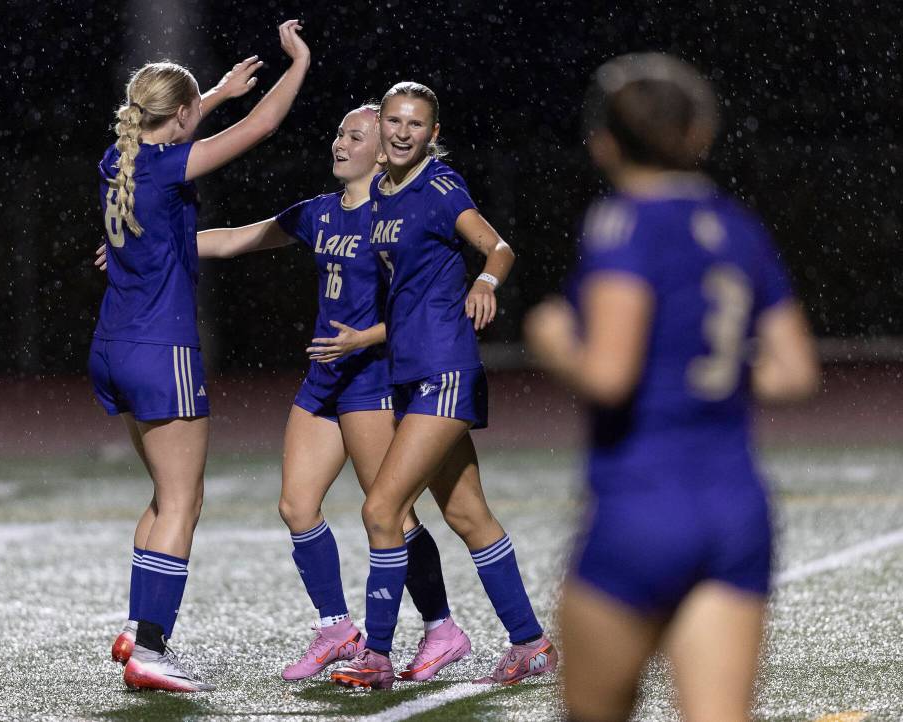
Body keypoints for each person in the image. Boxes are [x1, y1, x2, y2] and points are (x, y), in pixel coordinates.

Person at [523, 53, 819, 722]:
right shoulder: (738, 227)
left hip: (644, 503)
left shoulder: (623, 223)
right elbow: (796, 372)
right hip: (737, 508)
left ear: (603, 143)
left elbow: (608, 373)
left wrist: (550, 338)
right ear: (699, 134)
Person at [169, 104, 470, 682]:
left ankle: (442, 628)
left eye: (354, 135)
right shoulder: (320, 213)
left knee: (393, 514)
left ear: (382, 151)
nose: (339, 142)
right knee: (296, 506)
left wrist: (365, 338)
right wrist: (158, 244)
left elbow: (422, 306)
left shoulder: (396, 217)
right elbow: (236, 239)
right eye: (337, 131)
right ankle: (337, 627)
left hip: (372, 377)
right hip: (324, 378)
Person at [89, 19, 310, 692]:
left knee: (163, 495)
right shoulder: (162, 169)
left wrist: (209, 94)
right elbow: (263, 127)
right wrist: (298, 62)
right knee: (184, 500)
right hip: (163, 350)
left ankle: (136, 627)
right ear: (179, 118)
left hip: (114, 348)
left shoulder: (119, 162)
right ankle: (153, 649)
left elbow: (170, 124)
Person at [329, 82, 557, 691]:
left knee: (382, 507)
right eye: (395, 121)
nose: (403, 132)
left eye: (417, 124)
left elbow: (498, 246)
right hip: (409, 372)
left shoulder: (438, 187)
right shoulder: (379, 192)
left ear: (432, 133)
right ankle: (531, 644)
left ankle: (375, 655)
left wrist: (485, 282)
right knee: (467, 514)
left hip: (445, 369)